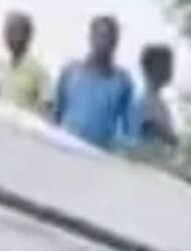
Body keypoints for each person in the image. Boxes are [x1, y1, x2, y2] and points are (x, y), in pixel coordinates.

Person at [53, 16, 136, 151]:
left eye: (111, 39)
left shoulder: (122, 81)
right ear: (90, 38)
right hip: (66, 148)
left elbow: (129, 129)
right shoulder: (70, 72)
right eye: (101, 36)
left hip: (97, 155)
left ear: (116, 43)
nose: (105, 43)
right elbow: (55, 114)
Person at [0, 12, 50, 117]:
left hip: (24, 126)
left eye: (14, 32)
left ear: (27, 37)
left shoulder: (38, 71)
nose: (9, 37)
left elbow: (46, 108)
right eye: (7, 32)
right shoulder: (2, 68)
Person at [135, 45, 179, 153]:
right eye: (165, 64)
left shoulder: (158, 101)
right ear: (151, 68)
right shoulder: (145, 102)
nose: (170, 70)